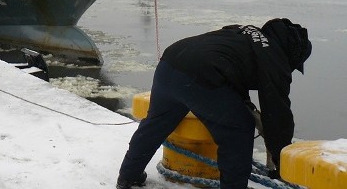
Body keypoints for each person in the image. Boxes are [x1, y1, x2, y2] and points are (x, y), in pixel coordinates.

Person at [116, 18, 312, 189]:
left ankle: (128, 176)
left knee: (156, 124)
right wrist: (281, 161)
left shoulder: (245, 31)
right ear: (293, 55)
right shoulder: (275, 59)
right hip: (201, 77)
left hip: (171, 62)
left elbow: (229, 66)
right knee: (239, 129)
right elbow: (277, 115)